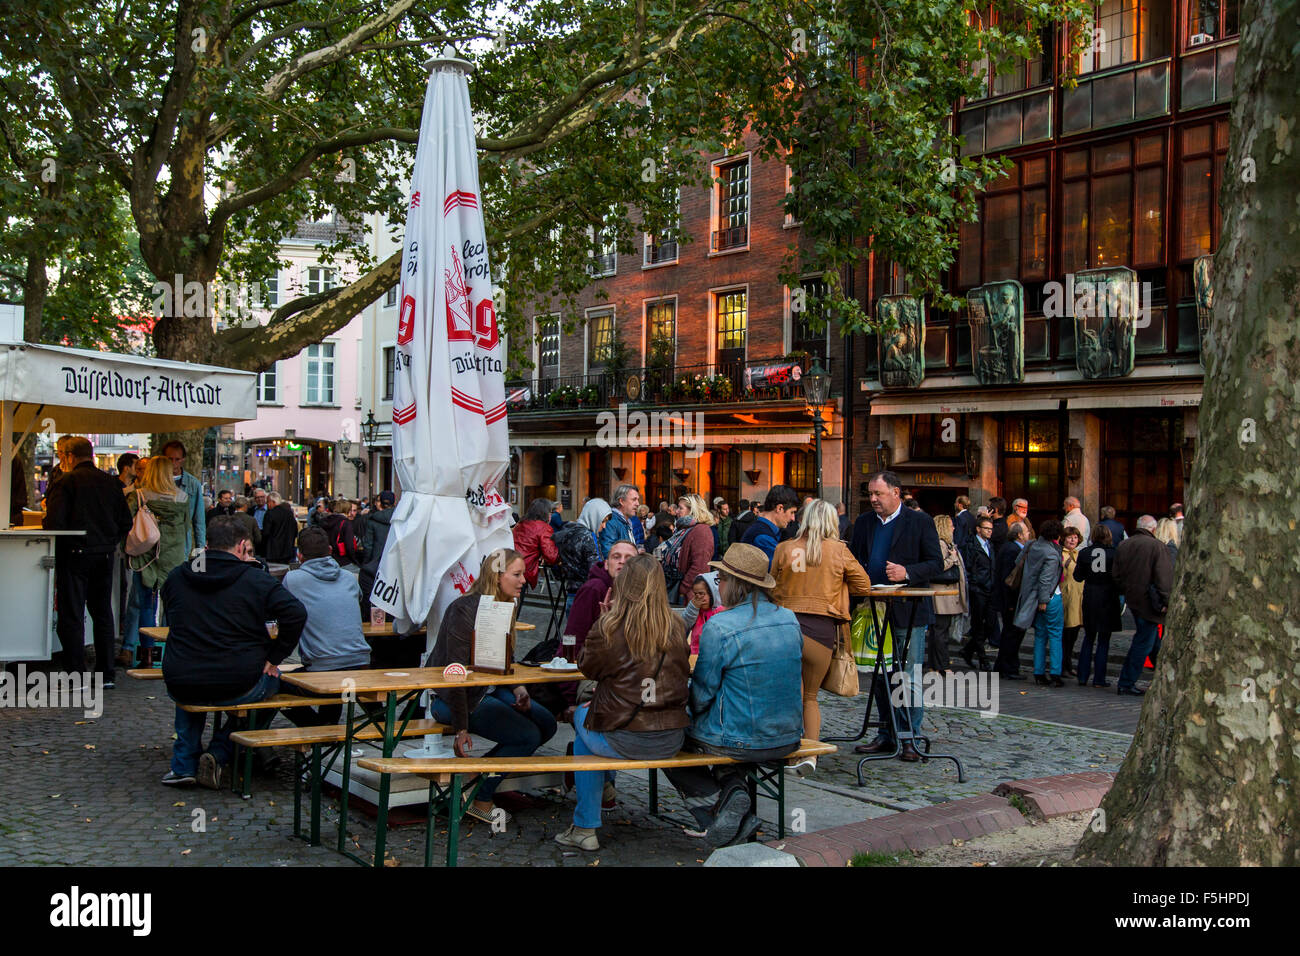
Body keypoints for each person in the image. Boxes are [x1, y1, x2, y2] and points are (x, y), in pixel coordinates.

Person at [663, 543, 803, 846]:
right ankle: (732, 788)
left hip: (741, 738)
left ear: (735, 584)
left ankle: (719, 806)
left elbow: (702, 693)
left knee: (664, 741)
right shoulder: (790, 618)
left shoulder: (721, 625)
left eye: (720, 578)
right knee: (722, 727)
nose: (717, 584)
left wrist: (678, 715)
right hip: (788, 733)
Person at [554, 555, 692, 852]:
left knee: (581, 720)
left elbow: (587, 668)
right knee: (587, 731)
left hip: (623, 737)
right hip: (671, 737)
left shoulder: (611, 627)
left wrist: (604, 619)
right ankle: (599, 798)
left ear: (622, 586)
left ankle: (585, 826)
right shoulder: (677, 625)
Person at [160, 516, 307, 787]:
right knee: (274, 684)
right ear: (241, 547)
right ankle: (220, 750)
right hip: (240, 679)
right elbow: (296, 613)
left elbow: (169, 609)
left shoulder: (178, 576)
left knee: (191, 683)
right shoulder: (255, 579)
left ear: (207, 546)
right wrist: (275, 657)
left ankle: (183, 765)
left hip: (181, 676)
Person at [427, 549, 558, 826]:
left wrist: (519, 689)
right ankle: (480, 794)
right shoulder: (464, 608)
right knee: (527, 736)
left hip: (488, 688)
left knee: (547, 723)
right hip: (452, 698)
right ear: (496, 576)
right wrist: (461, 728)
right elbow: (455, 675)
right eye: (517, 574)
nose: (524, 580)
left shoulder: (505, 603)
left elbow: (503, 660)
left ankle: (476, 774)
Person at [848, 471, 944, 760]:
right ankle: (886, 734)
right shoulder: (864, 522)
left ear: (896, 493)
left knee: (907, 675)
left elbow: (936, 563)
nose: (873, 499)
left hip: (907, 612)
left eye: (878, 493)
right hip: (873, 610)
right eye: (870, 494)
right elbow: (854, 560)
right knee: (879, 675)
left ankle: (910, 738)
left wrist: (908, 573)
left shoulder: (920, 521)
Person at [772, 499, 871, 775]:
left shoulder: (785, 549)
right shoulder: (839, 551)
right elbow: (864, 585)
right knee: (810, 697)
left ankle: (784, 751)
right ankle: (810, 755)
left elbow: (771, 586)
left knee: (790, 695)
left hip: (786, 628)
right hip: (821, 632)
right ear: (831, 522)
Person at [43, 436, 134, 685]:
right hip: (104, 555)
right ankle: (106, 672)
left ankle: (76, 672)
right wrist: (108, 539)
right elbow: (126, 521)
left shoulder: (66, 482)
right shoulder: (110, 483)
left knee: (72, 615)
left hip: (74, 555)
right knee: (102, 613)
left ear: (70, 456)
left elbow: (54, 524)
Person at [281, 528, 370, 725]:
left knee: (276, 685)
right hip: (360, 662)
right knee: (333, 669)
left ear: (299, 554)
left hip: (323, 667)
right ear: (330, 550)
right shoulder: (348, 577)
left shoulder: (293, 580)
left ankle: (317, 729)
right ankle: (327, 729)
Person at [121, 456, 195, 669]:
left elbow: (127, 524)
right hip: (173, 559)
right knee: (172, 606)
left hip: (145, 557)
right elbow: (185, 528)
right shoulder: (183, 498)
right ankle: (172, 654)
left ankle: (146, 656)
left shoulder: (139, 496)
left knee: (146, 605)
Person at [1112, 515, 1173, 696]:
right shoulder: (1157, 547)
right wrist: (1167, 600)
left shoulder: (1124, 545)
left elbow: (1116, 575)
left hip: (1133, 599)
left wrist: (1127, 590)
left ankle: (1164, 678)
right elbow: (1163, 577)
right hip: (1150, 603)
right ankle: (1126, 681)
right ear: (1153, 529)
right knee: (1144, 643)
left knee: (1152, 642)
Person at [1016, 519, 1065, 687]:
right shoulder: (1051, 553)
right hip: (1050, 597)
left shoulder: (1032, 545)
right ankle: (1055, 673)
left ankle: (1038, 672)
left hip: (1032, 596)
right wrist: (1044, 600)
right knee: (1056, 635)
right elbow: (1046, 579)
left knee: (1040, 636)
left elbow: (1018, 563)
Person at [1073, 525, 1121, 687]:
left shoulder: (1084, 553)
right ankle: (1099, 678)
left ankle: (1082, 676)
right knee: (1104, 640)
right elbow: (1118, 578)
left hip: (1091, 596)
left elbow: (1078, 577)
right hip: (1108, 597)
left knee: (1088, 637)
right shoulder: (1114, 554)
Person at [928, 513, 968, 674]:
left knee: (939, 631)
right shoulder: (941, 545)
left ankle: (935, 665)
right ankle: (942, 665)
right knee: (940, 632)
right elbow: (937, 567)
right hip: (942, 595)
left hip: (947, 595)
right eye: (950, 525)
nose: (953, 528)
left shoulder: (948, 544)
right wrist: (952, 560)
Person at [554, 498, 610, 607]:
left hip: (571, 592)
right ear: (594, 517)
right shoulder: (588, 536)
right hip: (587, 594)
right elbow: (595, 568)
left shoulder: (569, 531)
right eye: (603, 521)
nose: (604, 526)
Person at [661, 493, 716, 604]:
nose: (676, 511)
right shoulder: (683, 529)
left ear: (693, 511)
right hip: (676, 589)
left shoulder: (701, 531)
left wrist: (682, 588)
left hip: (689, 596)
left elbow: (700, 567)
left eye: (680, 508)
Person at [992, 522, 1030, 680]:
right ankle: (1008, 667)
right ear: (1019, 535)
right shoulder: (1012, 550)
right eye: (1026, 531)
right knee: (1011, 634)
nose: (1029, 534)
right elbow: (1009, 580)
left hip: (1009, 601)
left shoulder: (1011, 548)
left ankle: (1002, 665)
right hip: (1010, 601)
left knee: (1010, 633)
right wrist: (1011, 603)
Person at [959, 514, 997, 670]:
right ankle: (983, 658)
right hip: (978, 590)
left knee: (990, 624)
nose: (989, 532)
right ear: (978, 529)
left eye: (991, 529)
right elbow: (968, 567)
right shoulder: (971, 545)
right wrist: (975, 584)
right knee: (978, 624)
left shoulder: (990, 545)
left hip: (989, 588)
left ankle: (968, 650)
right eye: (986, 529)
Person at [160, 441, 206, 553]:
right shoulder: (156, 481)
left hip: (182, 543)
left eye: (177, 459)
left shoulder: (192, 484)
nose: (173, 463)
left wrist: (200, 549)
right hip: (159, 543)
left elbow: (199, 520)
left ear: (183, 459)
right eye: (169, 459)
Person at [739, 484, 799, 564]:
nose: (793, 518)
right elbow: (778, 570)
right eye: (792, 512)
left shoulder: (761, 528)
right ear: (779, 508)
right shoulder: (764, 538)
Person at [512, 497, 561, 590]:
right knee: (516, 602)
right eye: (550, 512)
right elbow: (552, 556)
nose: (551, 515)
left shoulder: (520, 523)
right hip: (523, 570)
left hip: (510, 566)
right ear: (545, 513)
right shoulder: (544, 527)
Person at [1060, 527, 1085, 677]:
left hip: (1078, 597)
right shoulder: (1060, 554)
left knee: (1074, 633)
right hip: (1065, 596)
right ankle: (1063, 665)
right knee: (1065, 633)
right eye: (1069, 537)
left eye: (1075, 537)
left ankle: (1068, 664)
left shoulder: (1079, 554)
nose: (1072, 540)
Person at [599, 483, 645, 557]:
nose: (638, 504)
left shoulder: (625, 521)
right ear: (621, 501)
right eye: (634, 499)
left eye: (638, 500)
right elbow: (608, 554)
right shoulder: (611, 521)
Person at [682, 572, 722, 655]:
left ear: (712, 593)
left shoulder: (721, 611)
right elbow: (683, 625)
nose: (698, 597)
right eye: (695, 594)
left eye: (701, 593)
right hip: (694, 655)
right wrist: (692, 608)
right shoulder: (696, 610)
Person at [320, 499, 359, 570]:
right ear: (347, 510)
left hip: (327, 559)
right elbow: (349, 546)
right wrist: (355, 561)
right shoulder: (346, 523)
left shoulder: (325, 521)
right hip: (343, 561)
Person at [261, 492, 299, 564]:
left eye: (268, 502)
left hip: (272, 552)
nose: (267, 504)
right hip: (287, 551)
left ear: (273, 502)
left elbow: (266, 533)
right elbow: (295, 531)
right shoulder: (289, 513)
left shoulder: (270, 514)